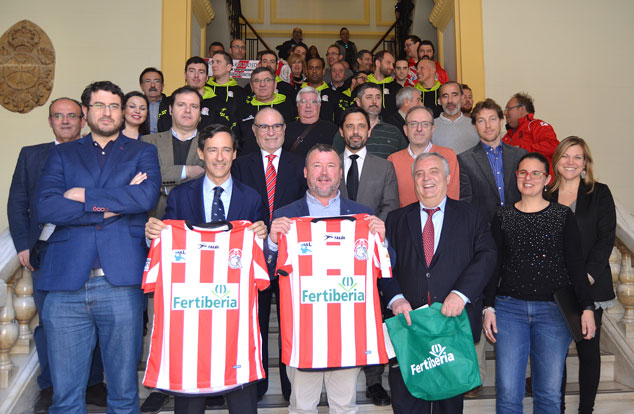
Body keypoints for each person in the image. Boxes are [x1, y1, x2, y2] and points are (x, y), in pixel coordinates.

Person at [36, 81, 161, 413]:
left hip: (120, 282)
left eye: (114, 106)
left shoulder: (143, 152)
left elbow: (144, 198)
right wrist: (113, 205)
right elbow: (46, 206)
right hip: (65, 284)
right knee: (66, 398)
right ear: (86, 111)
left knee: (123, 395)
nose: (108, 113)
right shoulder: (62, 153)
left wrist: (82, 195)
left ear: (123, 112)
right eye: (100, 106)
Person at [144, 124, 267, 414]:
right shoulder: (180, 196)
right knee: (190, 401)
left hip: (234, 317)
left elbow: (260, 261)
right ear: (201, 153)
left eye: (226, 150)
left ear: (234, 154)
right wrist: (154, 235)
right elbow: (170, 243)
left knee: (242, 401)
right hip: (191, 315)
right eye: (212, 150)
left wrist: (264, 239)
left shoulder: (252, 198)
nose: (219, 157)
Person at [267, 144, 389, 414]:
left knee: (344, 406)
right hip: (303, 332)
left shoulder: (363, 215)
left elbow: (384, 267)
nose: (324, 173)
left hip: (347, 330)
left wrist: (383, 241)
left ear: (340, 172)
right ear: (305, 172)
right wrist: (273, 243)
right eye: (317, 166)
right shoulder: (285, 216)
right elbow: (267, 272)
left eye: (331, 166)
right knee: (302, 407)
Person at [7, 97, 109, 412]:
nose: (65, 121)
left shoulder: (97, 154)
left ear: (83, 120)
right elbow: (17, 201)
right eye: (58, 116)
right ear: (50, 121)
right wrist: (23, 244)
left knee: (92, 318)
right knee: (48, 321)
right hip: (45, 250)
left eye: (71, 116)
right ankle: (50, 385)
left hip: (86, 248)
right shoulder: (31, 155)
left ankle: (93, 383)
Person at [384, 152, 497, 413]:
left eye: (434, 171)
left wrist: (462, 293)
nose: (427, 178)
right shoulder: (396, 219)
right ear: (413, 180)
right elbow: (384, 265)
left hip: (452, 326)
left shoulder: (472, 214)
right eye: (420, 173)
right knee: (407, 405)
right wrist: (395, 298)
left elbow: (487, 255)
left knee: (449, 407)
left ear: (447, 177)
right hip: (409, 327)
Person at [483, 152, 596, 414]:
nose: (528, 178)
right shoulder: (503, 216)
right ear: (516, 177)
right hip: (509, 311)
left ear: (547, 179)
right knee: (508, 394)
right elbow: (493, 266)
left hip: (553, 313)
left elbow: (575, 265)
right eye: (523, 172)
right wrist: (488, 307)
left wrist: (587, 307)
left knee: (548, 395)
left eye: (536, 173)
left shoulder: (562, 215)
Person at [232, 108, 307, 401]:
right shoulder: (240, 165)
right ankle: (258, 385)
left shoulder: (301, 163)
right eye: (264, 127)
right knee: (256, 324)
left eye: (276, 126)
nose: (271, 132)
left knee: (292, 325)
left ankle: (291, 388)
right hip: (254, 258)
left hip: (292, 258)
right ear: (254, 131)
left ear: (285, 129)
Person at [548, 137, 616, 414]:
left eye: (578, 157)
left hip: (591, 285)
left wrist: (584, 278)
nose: (571, 162)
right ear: (556, 161)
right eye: (566, 156)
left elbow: (605, 239)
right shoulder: (545, 194)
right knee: (554, 355)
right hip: (554, 289)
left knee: (589, 351)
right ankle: (558, 408)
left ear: (585, 163)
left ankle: (586, 410)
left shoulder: (599, 193)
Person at [458, 99, 527, 223]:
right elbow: (465, 203)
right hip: (484, 229)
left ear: (501, 122)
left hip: (519, 225)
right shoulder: (465, 160)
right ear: (475, 127)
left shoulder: (520, 155)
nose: (488, 125)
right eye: (481, 121)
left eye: (492, 119)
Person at [142, 86, 206, 219]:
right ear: (170, 110)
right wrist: (185, 171)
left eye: (194, 106)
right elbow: (145, 177)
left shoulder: (211, 144)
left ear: (200, 113)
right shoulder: (148, 142)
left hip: (198, 220)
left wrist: (164, 187)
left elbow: (211, 181)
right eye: (181, 105)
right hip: (157, 221)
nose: (187, 110)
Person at [388, 105, 459, 206]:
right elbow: (390, 201)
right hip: (404, 216)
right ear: (405, 130)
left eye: (425, 124)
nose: (419, 129)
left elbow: (452, 199)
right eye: (413, 124)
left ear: (432, 129)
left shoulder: (448, 156)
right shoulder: (393, 160)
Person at [333, 82, 407, 159]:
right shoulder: (348, 131)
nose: (374, 101)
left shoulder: (394, 132)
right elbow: (335, 160)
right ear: (358, 102)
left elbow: (405, 160)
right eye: (369, 97)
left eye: (378, 97)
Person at [233, 67, 297, 155]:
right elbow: (235, 139)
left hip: (282, 161)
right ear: (251, 86)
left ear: (275, 84)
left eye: (267, 80)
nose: (262, 84)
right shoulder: (242, 107)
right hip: (248, 161)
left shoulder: (288, 106)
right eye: (257, 81)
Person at [502, 92, 559, 169]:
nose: (505, 113)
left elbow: (553, 146)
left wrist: (520, 150)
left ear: (522, 109)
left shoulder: (536, 126)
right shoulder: (506, 136)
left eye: (508, 109)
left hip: (538, 175)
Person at [157, 56, 215, 132]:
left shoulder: (217, 104)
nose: (196, 75)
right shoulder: (168, 102)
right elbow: (164, 130)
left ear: (207, 77)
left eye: (201, 72)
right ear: (185, 75)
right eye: (192, 71)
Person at [283, 87, 338, 157]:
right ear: (297, 104)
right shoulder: (286, 129)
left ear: (319, 105)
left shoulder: (332, 129)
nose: (308, 106)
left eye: (313, 102)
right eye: (303, 101)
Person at [431, 81, 480, 155]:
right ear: (439, 101)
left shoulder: (475, 125)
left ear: (462, 98)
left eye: (454, 95)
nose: (450, 101)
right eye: (445, 96)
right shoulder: (429, 127)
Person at [366, 50, 402, 117]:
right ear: (378, 63)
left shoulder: (397, 88)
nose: (392, 67)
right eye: (388, 63)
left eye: (393, 64)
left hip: (391, 123)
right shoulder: (364, 85)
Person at [139, 67, 166, 134]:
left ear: (162, 86)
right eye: (148, 81)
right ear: (141, 86)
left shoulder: (171, 104)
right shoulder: (136, 106)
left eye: (157, 81)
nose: (152, 85)